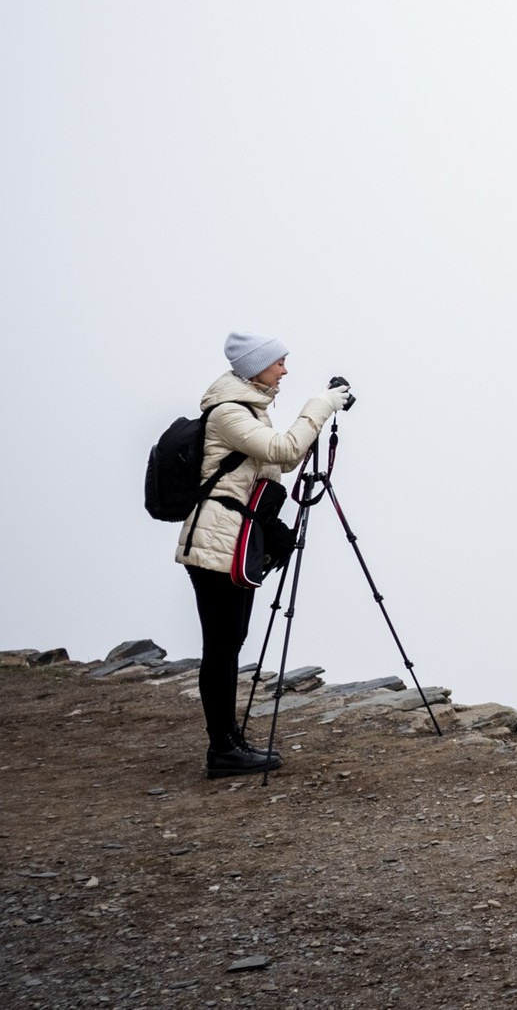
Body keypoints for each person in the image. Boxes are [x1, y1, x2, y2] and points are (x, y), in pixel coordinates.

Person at [177, 331, 351, 778]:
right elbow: (282, 450)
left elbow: (282, 463)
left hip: (233, 546)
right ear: (256, 367)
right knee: (221, 648)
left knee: (229, 644)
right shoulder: (229, 413)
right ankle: (223, 750)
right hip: (215, 547)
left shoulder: (251, 411)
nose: (285, 370)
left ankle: (229, 740)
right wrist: (320, 405)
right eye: (279, 362)